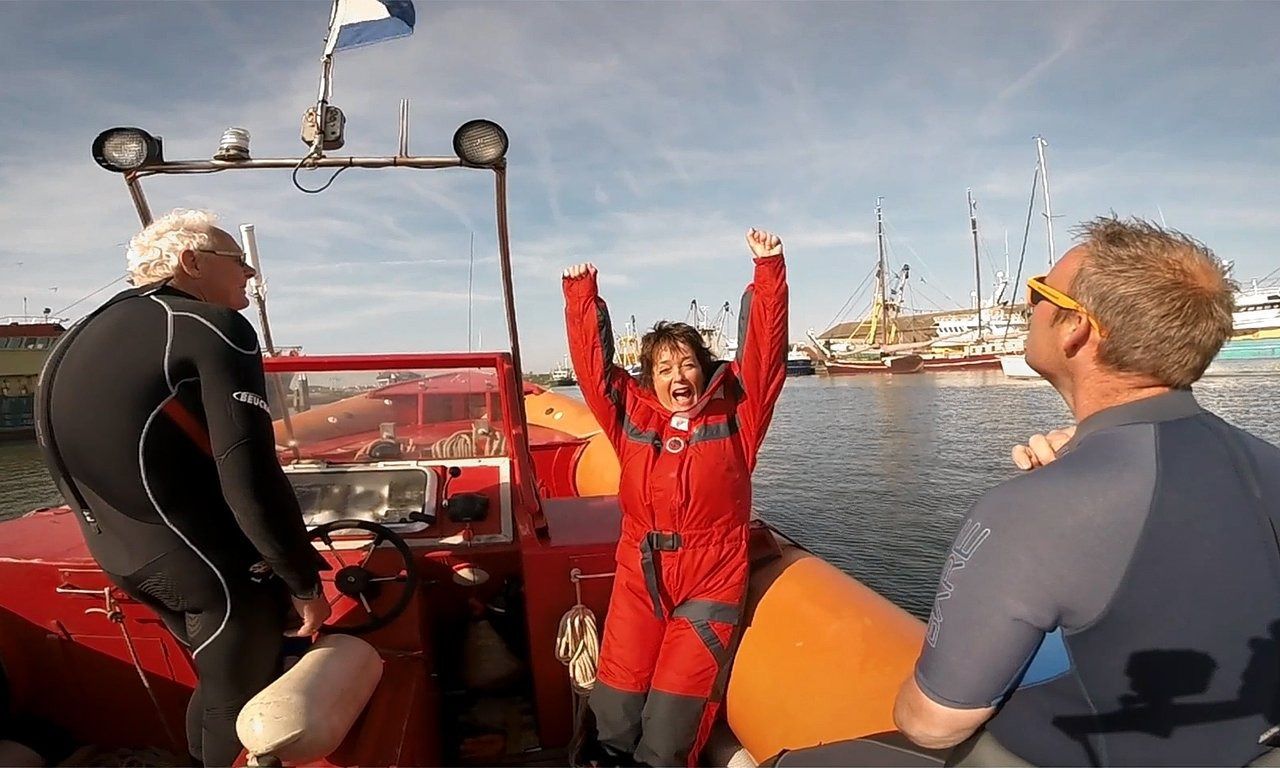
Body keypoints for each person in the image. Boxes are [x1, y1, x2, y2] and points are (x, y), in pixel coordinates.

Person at [892, 215, 1280, 766]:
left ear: (1075, 328)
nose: (1029, 306)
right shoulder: (1265, 461)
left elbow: (933, 726)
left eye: (1038, 292)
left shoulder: (1032, 512)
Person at [36, 209, 330, 767]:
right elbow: (248, 470)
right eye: (237, 261)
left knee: (217, 684)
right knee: (238, 702)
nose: (249, 274)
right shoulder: (210, 324)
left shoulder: (82, 333)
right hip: (204, 563)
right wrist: (301, 579)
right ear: (191, 262)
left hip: (125, 553)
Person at [562, 228, 788, 767]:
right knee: (613, 713)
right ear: (650, 379)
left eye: (687, 363)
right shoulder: (631, 416)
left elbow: (764, 353)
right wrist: (580, 297)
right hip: (640, 575)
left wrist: (769, 271)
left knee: (667, 730)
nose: (678, 376)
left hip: (711, 578)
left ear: (704, 368)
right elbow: (593, 372)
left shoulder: (738, 414)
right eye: (664, 368)